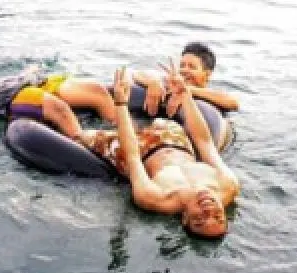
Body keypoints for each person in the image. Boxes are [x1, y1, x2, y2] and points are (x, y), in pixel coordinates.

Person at [88, 61, 240, 239]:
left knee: (81, 136)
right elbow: (204, 142)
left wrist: (121, 103)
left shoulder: (154, 198)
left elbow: (133, 156)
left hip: (140, 151)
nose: (209, 210)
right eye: (218, 217)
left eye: (200, 219)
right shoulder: (228, 184)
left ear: (184, 219)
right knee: (162, 120)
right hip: (174, 140)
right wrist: (185, 95)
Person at [133, 42, 239, 117]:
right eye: (182, 65)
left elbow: (233, 103)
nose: (184, 70)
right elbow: (137, 74)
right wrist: (154, 82)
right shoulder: (169, 84)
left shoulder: (211, 95)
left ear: (207, 74)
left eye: (192, 67)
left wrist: (185, 90)